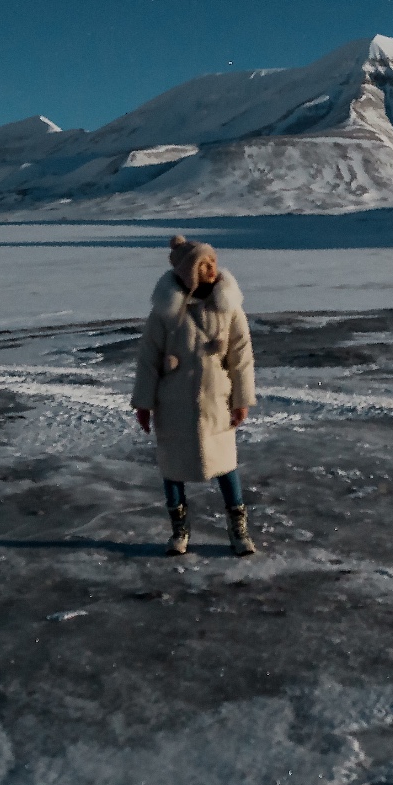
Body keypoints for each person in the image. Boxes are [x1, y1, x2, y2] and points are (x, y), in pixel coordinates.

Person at [132, 236, 258, 556]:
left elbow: (241, 355)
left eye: (213, 262)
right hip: (172, 403)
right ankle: (180, 531)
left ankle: (238, 530)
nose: (211, 269)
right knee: (172, 469)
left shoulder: (228, 305)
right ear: (188, 271)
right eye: (203, 265)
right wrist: (144, 404)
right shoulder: (165, 312)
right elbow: (149, 357)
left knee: (226, 464)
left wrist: (242, 399)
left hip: (217, 400)